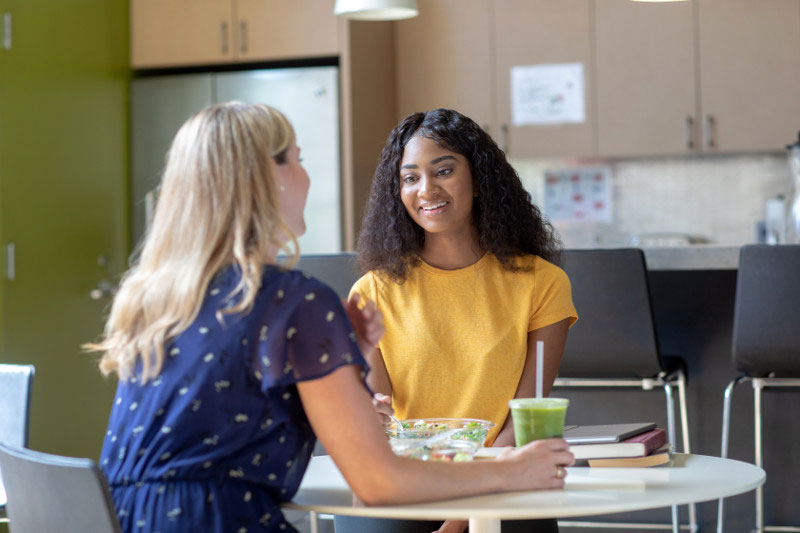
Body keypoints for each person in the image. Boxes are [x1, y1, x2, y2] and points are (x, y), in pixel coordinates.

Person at [85, 102, 574, 533]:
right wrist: (511, 473)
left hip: (124, 517)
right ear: (266, 179)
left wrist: (347, 361)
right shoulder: (294, 300)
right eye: (297, 159)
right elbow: (377, 481)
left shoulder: (156, 296)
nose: (306, 174)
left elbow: (224, 416)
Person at [342, 108, 578, 533]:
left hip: (505, 479)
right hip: (407, 484)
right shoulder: (372, 292)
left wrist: (465, 513)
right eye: (410, 178)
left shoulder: (543, 283)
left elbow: (521, 423)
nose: (426, 189)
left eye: (443, 171)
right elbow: (379, 422)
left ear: (479, 180)